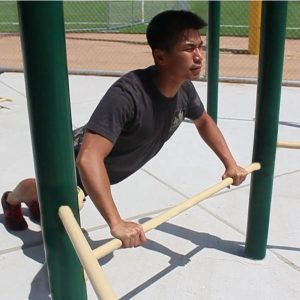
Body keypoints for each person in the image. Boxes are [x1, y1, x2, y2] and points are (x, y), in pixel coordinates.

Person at [2, 10, 248, 247]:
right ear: (160, 57)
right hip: (74, 162)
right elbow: (88, 159)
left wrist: (230, 163)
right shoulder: (128, 95)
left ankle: (37, 200)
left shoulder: (183, 88)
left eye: (200, 47)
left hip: (104, 167)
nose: (199, 56)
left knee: (51, 198)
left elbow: (203, 121)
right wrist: (116, 222)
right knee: (58, 194)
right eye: (189, 49)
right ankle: (12, 199)